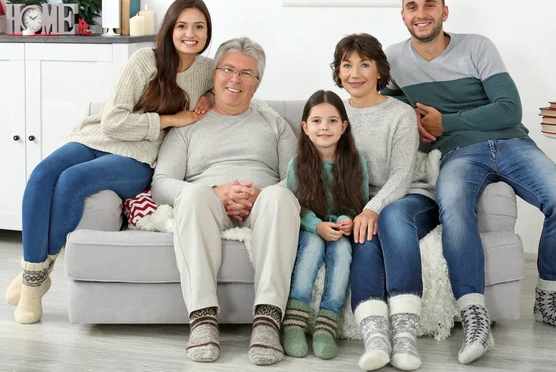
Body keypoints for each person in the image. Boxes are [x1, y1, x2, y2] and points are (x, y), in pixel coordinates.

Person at [383, 0, 556, 365]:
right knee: (454, 211)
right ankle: (475, 316)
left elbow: (509, 109)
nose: (421, 13)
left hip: (511, 143)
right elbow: (388, 108)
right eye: (412, 7)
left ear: (444, 13)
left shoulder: (477, 46)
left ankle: (547, 300)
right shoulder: (393, 59)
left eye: (430, 5)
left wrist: (447, 121)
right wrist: (416, 121)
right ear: (403, 16)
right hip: (459, 154)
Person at [5, 0, 215, 324]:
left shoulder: (207, 70)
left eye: (199, 26)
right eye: (182, 26)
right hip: (99, 138)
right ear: (169, 29)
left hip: (139, 158)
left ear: (207, 31)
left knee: (72, 181)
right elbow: (112, 122)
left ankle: (33, 284)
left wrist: (210, 95)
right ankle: (34, 274)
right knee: (43, 172)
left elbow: (236, 82)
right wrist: (171, 119)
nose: (191, 33)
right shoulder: (145, 61)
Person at [151, 37, 300, 366]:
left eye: (247, 73)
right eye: (228, 69)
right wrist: (217, 192)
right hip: (206, 202)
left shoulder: (275, 125)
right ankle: (202, 319)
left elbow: (296, 181)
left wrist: (260, 195)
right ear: (214, 73)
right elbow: (160, 183)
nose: (235, 79)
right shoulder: (187, 124)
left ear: (258, 83)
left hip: (260, 202)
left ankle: (267, 320)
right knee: (192, 194)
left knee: (281, 197)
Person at [331, 33, 438, 371]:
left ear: (379, 70)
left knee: (389, 218)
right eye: (347, 65)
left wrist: (371, 209)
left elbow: (403, 175)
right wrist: (355, 212)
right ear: (338, 72)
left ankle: (405, 337)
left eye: (364, 64)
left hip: (409, 198)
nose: (355, 73)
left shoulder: (400, 113)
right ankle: (376, 338)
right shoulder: (333, 112)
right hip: (361, 205)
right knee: (364, 239)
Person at [281, 90, 369, 360]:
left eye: (332, 121)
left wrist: (348, 219)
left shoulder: (356, 162)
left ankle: (326, 324)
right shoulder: (298, 164)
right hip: (309, 227)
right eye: (317, 121)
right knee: (310, 250)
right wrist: (316, 225)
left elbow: (359, 203)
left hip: (339, 228)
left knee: (343, 253)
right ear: (305, 127)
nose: (324, 128)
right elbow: (292, 204)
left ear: (344, 126)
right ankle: (294, 321)